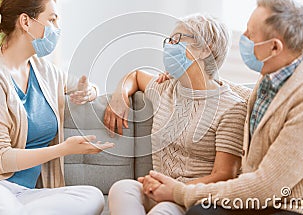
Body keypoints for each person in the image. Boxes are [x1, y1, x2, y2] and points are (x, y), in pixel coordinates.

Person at [143, 0, 303, 215]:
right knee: (202, 213)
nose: (244, 39)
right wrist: (195, 81)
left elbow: (266, 185)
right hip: (266, 199)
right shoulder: (273, 75)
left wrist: (180, 192)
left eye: (250, 34)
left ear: (275, 47)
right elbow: (249, 100)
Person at [0, 0, 114, 215]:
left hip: (23, 194)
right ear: (26, 22)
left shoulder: (45, 71)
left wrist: (90, 91)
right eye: (52, 19)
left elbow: (84, 85)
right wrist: (63, 149)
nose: (57, 28)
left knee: (92, 197)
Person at [105, 14, 250, 215]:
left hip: (191, 197)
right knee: (122, 189)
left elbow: (225, 174)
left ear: (204, 49)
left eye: (176, 40)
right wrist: (119, 95)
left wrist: (175, 190)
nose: (168, 47)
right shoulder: (166, 88)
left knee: (164, 210)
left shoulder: (231, 107)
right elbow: (136, 76)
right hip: (154, 189)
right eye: (168, 41)